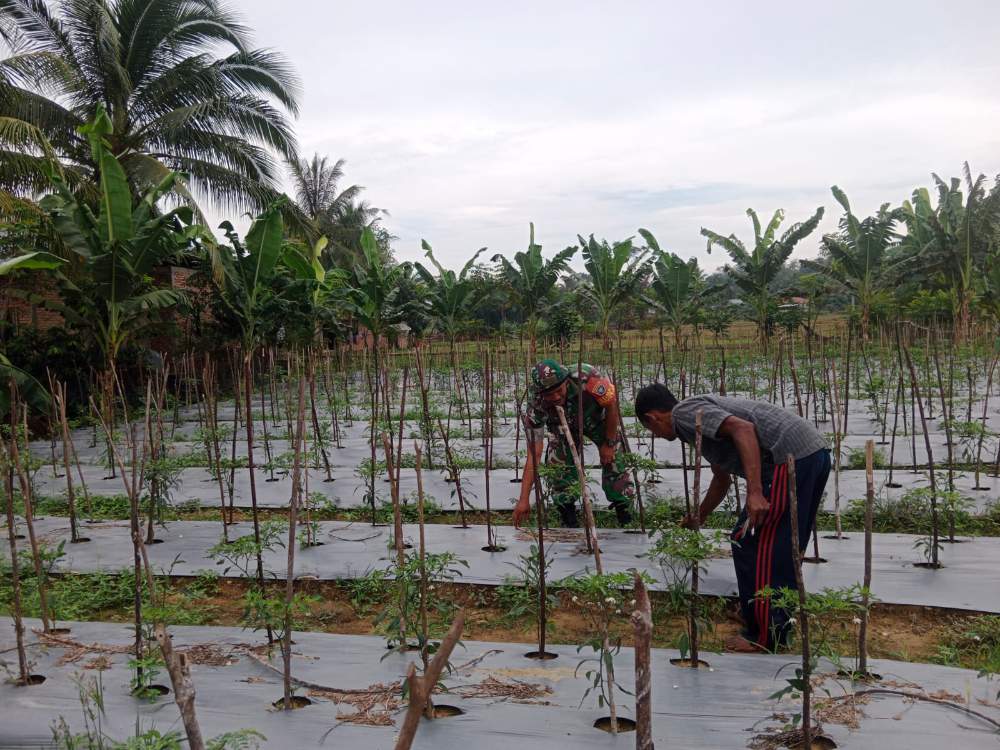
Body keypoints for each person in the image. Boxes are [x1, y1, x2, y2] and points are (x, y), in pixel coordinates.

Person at [634, 383, 831, 652]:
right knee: (778, 543)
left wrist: (755, 492)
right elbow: (721, 477)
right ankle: (760, 612)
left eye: (651, 430)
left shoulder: (684, 413)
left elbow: (743, 429)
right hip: (809, 454)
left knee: (755, 543)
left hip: (792, 458)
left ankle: (766, 636)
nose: (655, 435)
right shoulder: (697, 424)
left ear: (651, 418)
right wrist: (698, 517)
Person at [512, 359, 635, 529]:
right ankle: (568, 517)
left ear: (566, 381)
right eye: (549, 394)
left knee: (614, 459)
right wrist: (524, 500)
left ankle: (625, 515)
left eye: (559, 390)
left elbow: (611, 405)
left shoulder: (587, 378)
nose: (555, 397)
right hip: (562, 426)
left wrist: (609, 442)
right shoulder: (536, 405)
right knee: (558, 464)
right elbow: (534, 454)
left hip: (597, 420)